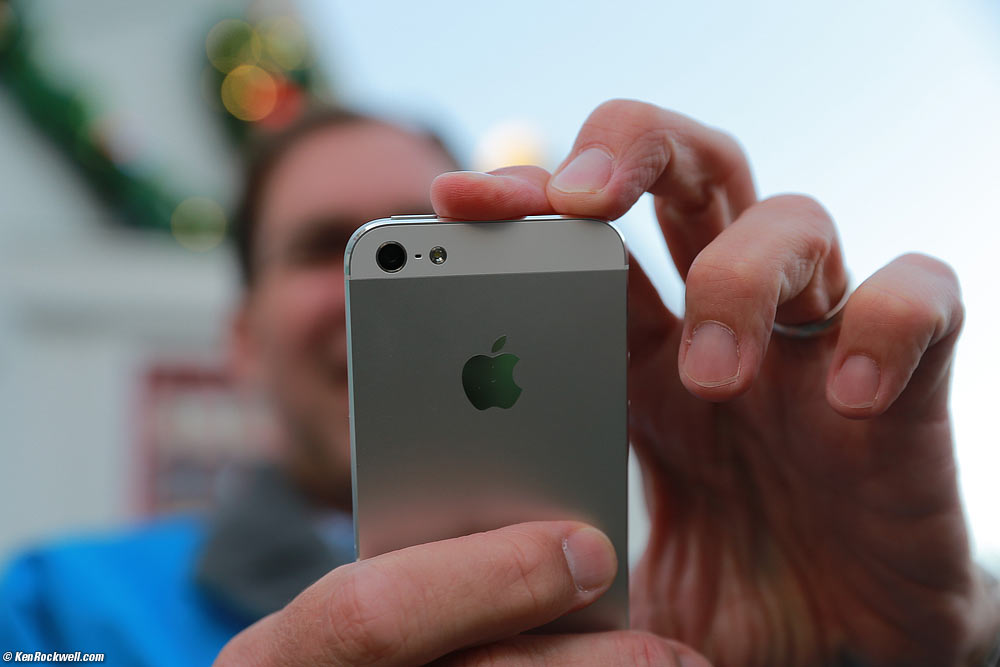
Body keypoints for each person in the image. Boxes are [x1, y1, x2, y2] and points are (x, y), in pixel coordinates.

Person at [3, 99, 999, 666]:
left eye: (420, 237)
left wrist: (925, 642)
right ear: (241, 340)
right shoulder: (49, 612)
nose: (369, 300)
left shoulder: (660, 613)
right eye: (324, 250)